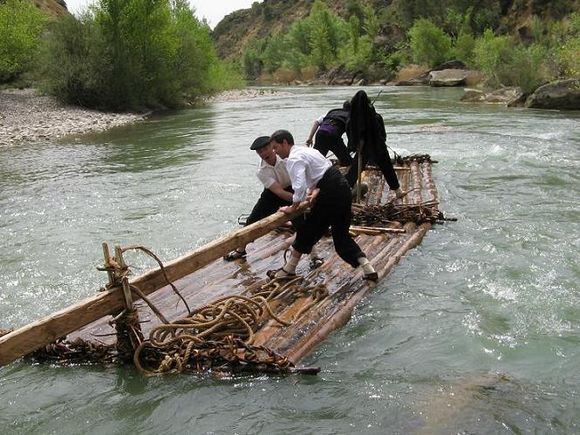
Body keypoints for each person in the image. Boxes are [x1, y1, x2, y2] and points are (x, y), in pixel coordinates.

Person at [268, 129, 378, 281]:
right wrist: (314, 190)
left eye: (276, 147)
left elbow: (299, 187)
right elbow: (322, 170)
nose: (275, 152)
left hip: (330, 193)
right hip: (342, 187)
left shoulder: (294, 159)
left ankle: (289, 270)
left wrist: (293, 208)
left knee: (307, 231)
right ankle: (368, 269)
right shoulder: (307, 151)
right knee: (341, 236)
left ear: (285, 143)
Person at [224, 136, 320, 264]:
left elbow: (302, 178)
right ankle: (241, 249)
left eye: (266, 149)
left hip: (294, 188)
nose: (264, 153)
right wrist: (300, 201)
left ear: (273, 147)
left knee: (302, 225)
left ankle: (314, 256)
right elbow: (279, 191)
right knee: (252, 221)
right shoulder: (261, 170)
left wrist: (303, 198)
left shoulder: (288, 158)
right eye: (260, 152)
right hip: (273, 193)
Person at [345, 90, 403, 199]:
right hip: (378, 146)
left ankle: (345, 188)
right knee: (387, 168)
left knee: (355, 169)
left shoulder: (352, 118)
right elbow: (382, 134)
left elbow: (351, 133)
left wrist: (356, 145)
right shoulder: (375, 116)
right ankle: (397, 191)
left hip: (364, 148)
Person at [306, 101, 352, 167]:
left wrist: (310, 138)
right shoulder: (350, 116)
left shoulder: (333, 112)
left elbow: (317, 122)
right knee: (347, 162)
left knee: (316, 160)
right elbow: (350, 134)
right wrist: (351, 148)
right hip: (333, 136)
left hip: (320, 134)